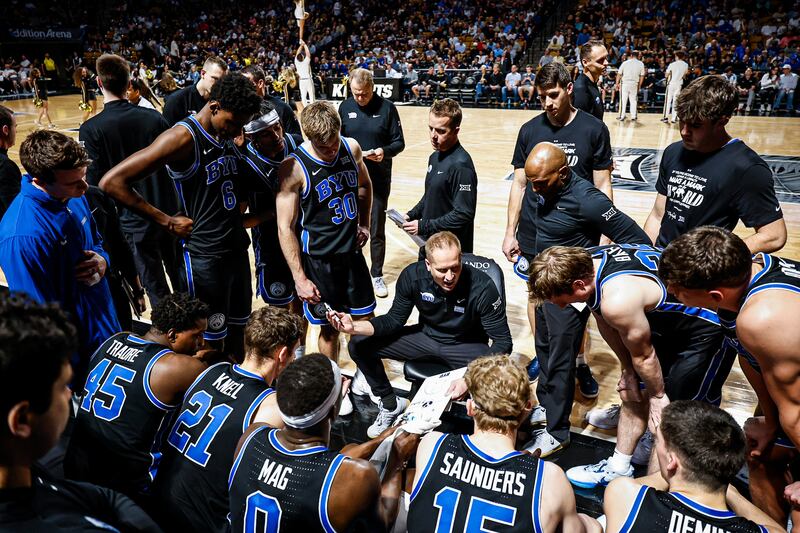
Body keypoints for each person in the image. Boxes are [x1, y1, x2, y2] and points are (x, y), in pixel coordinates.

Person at [529, 242, 731, 485]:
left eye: (560, 300)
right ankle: (619, 466)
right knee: (632, 388)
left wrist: (657, 397)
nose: (560, 306)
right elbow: (605, 321)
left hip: (705, 330)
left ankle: (656, 491)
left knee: (670, 415)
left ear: (578, 285)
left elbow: (644, 356)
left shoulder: (617, 299)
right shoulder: (586, 261)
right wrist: (627, 369)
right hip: (668, 323)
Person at [100, 72, 262, 358]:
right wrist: (165, 220)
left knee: (238, 331)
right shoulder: (181, 138)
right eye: (233, 122)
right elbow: (112, 182)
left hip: (235, 250)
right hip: (203, 258)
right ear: (213, 107)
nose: (237, 130)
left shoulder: (223, 133)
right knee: (208, 342)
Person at [659, 226, 800, 527]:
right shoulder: (748, 272)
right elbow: (753, 361)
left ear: (713, 294)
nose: (670, 292)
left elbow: (796, 411)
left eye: (677, 289)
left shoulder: (763, 318)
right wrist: (771, 424)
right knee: (760, 453)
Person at [521, 143, 652, 456]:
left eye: (540, 183)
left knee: (561, 359)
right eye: (531, 183)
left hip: (567, 293)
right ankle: (548, 408)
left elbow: (638, 241)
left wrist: (598, 268)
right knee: (544, 349)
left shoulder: (588, 200)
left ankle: (557, 431)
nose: (535, 189)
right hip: (544, 284)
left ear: (563, 173)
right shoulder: (542, 187)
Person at [0, 293, 162, 533]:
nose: (68, 395)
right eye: (62, 387)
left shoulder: (18, 470)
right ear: (22, 420)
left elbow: (108, 498)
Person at [328, 231, 512, 437]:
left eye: (455, 268)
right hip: (426, 338)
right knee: (359, 344)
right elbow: (393, 321)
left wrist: (470, 378)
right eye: (442, 270)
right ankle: (390, 404)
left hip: (466, 346)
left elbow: (503, 342)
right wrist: (353, 327)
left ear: (461, 260)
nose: (450, 276)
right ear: (428, 265)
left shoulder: (482, 287)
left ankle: (488, 433)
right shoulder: (413, 276)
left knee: (499, 373)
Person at [504, 62, 613, 396]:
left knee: (577, 303)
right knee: (536, 297)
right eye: (541, 97)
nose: (547, 103)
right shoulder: (529, 130)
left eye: (553, 95)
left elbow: (603, 183)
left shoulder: (593, 129)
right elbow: (519, 184)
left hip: (578, 237)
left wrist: (606, 235)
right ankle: (542, 354)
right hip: (535, 234)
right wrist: (510, 230)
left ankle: (580, 362)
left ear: (569, 89)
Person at [152, 306, 304, 532]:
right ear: (282, 354)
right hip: (202, 520)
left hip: (157, 501)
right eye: (294, 352)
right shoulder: (270, 406)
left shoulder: (210, 370)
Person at [407, 355, 600, 533]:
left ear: (470, 408)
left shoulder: (432, 444)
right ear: (528, 409)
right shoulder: (551, 478)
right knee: (593, 525)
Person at [228, 353, 418, 532]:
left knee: (350, 449)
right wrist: (396, 464)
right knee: (411, 482)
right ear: (335, 409)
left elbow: (314, 468)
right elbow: (383, 524)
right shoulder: (359, 476)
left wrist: (378, 441)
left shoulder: (252, 435)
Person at [0, 130, 119, 385]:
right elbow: (38, 319)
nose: (85, 187)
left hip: (106, 329)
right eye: (74, 182)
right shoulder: (22, 236)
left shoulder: (74, 195)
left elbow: (97, 242)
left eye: (84, 177)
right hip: (76, 362)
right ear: (40, 180)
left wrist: (102, 260)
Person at [64, 293, 209, 501]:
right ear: (172, 335)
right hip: (126, 486)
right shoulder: (178, 367)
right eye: (197, 335)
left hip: (76, 464)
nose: (202, 343)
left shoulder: (114, 339)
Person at [275, 100, 375, 368]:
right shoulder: (293, 167)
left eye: (334, 143)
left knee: (366, 321)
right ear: (309, 137)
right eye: (324, 147)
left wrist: (364, 224)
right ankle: (331, 380)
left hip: (352, 255)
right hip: (320, 261)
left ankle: (365, 378)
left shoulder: (351, 148)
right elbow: (285, 227)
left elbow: (365, 185)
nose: (332, 150)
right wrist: (299, 279)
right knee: (330, 329)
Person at [80, 53, 181, 309]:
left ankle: (170, 341)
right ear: (129, 84)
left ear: (100, 84)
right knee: (182, 282)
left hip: (132, 220)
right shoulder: (154, 119)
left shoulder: (92, 129)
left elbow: (94, 186)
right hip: (168, 213)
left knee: (156, 290)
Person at [643, 75, 786, 253]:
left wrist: (714, 257)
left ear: (722, 121)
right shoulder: (673, 152)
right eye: (682, 120)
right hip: (662, 257)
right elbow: (658, 215)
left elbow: (774, 235)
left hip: (700, 269)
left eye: (695, 125)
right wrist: (645, 252)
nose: (684, 131)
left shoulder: (747, 168)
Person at [603, 401, 782, 533]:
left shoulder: (623, 496)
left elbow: (644, 484)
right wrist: (728, 490)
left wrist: (663, 440)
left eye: (657, 442)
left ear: (672, 461)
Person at [339, 68, 406, 298]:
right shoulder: (345, 108)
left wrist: (383, 151)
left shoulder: (387, 108)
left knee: (375, 228)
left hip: (377, 178)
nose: (360, 98)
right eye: (356, 94)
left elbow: (399, 143)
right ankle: (349, 271)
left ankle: (376, 274)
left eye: (364, 94)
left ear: (372, 88)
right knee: (347, 225)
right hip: (349, 178)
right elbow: (337, 141)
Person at [403, 98, 477, 255]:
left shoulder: (461, 165)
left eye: (441, 131)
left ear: (456, 131)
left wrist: (424, 226)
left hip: (449, 251)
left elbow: (463, 214)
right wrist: (411, 214)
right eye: (431, 128)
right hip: (430, 243)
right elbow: (431, 195)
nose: (433, 136)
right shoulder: (434, 157)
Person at [162, 56, 227, 126]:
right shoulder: (176, 101)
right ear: (203, 74)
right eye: (215, 79)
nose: (219, 84)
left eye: (222, 81)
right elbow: (165, 134)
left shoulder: (221, 102)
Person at [241, 64, 303, 137]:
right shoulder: (239, 110)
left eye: (246, 82)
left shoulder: (282, 108)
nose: (241, 86)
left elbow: (297, 139)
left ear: (260, 83)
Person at [573, 40, 608, 120]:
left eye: (606, 58)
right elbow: (580, 125)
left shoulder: (592, 83)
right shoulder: (581, 89)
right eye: (600, 60)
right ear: (585, 63)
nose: (606, 63)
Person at [0, 105, 20, 218]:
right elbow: (15, 210)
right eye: (15, 127)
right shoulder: (5, 166)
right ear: (6, 130)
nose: (16, 131)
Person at [616, 50, 645, 120]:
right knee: (633, 100)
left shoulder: (625, 63)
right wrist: (639, 85)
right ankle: (633, 116)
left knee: (623, 100)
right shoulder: (641, 64)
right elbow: (642, 76)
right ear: (638, 56)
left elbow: (619, 74)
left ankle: (622, 116)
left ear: (631, 55)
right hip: (634, 83)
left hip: (625, 83)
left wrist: (617, 83)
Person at [662, 51, 689, 123]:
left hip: (671, 83)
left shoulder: (672, 64)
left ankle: (666, 117)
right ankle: (674, 118)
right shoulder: (685, 65)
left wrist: (668, 75)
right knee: (675, 101)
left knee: (668, 101)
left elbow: (666, 75)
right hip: (679, 84)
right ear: (683, 57)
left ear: (676, 56)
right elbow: (685, 74)